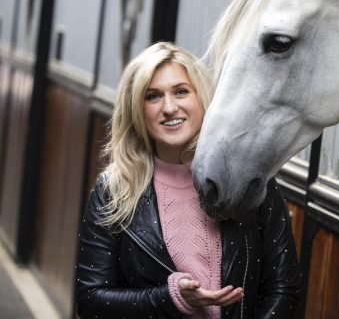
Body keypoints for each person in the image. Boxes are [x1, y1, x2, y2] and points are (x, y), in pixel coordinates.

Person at [76, 42, 300, 319]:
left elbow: (284, 289)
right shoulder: (113, 189)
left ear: (202, 97)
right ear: (137, 108)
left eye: (181, 91)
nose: (169, 107)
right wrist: (170, 298)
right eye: (153, 96)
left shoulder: (248, 179)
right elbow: (90, 301)